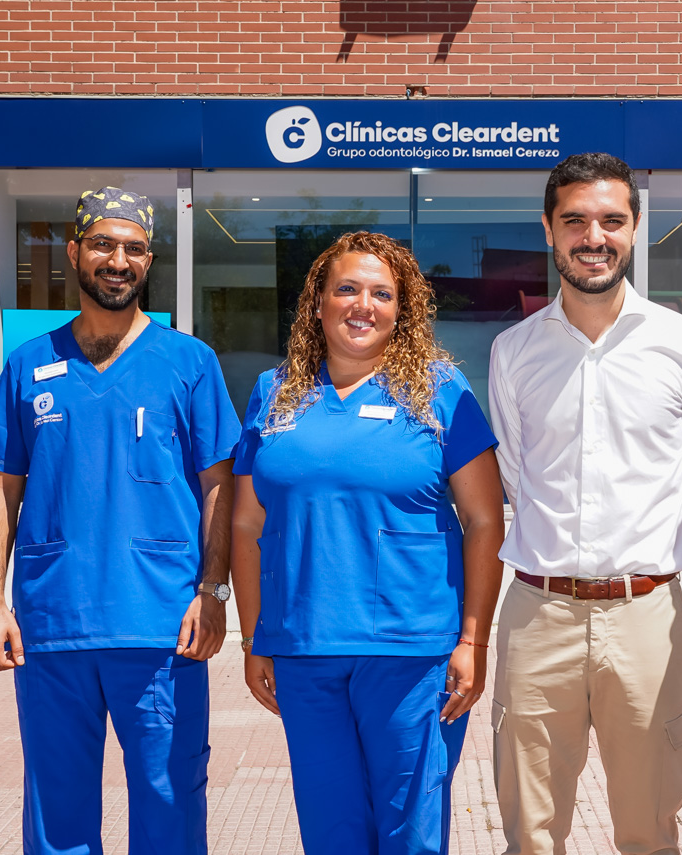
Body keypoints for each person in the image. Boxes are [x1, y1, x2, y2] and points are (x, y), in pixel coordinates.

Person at [0, 186, 241, 854]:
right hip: (52, 627)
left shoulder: (189, 362)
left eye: (134, 248)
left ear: (150, 259)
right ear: (74, 252)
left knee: (170, 805)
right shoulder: (30, 363)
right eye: (104, 245)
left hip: (161, 626)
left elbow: (219, 485)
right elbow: (0, 483)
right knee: (57, 815)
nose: (119, 260)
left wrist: (212, 590)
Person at [488, 152, 682, 855]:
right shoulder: (513, 351)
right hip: (538, 615)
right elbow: (514, 471)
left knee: (648, 830)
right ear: (548, 229)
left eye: (610, 220)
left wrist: (657, 561)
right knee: (529, 835)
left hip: (646, 616)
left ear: (634, 229)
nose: (592, 236)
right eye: (574, 220)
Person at [230, 231, 504, 855]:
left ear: (402, 311)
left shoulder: (440, 393)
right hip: (304, 652)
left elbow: (485, 521)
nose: (364, 305)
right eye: (347, 289)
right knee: (331, 833)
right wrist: (254, 638)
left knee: (410, 835)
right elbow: (247, 526)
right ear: (318, 304)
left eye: (383, 294)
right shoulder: (273, 395)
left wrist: (471, 639)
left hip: (410, 655)